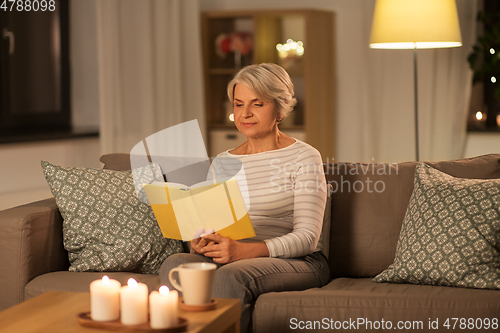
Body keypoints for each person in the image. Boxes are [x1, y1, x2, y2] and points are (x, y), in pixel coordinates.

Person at [159, 63, 330, 333]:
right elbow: (214, 224)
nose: (245, 114)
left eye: (257, 104)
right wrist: (203, 241)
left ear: (280, 108)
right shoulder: (224, 161)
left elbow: (308, 238)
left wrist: (243, 252)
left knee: (232, 275)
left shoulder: (304, 156)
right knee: (175, 265)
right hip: (232, 255)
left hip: (297, 261)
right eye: (238, 104)